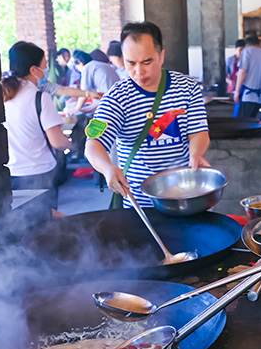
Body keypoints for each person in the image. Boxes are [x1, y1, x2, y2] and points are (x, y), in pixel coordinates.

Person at [84, 21, 210, 209]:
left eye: (147, 62)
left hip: (184, 196)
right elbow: (93, 143)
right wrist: (107, 169)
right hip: (140, 204)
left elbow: (198, 131)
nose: (139, 72)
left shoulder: (187, 88)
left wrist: (196, 154)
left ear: (161, 56)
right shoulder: (116, 97)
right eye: (131, 63)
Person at [1, 42, 74, 210]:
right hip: (39, 172)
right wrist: (72, 144)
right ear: (34, 70)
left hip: (10, 173)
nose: (46, 70)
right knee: (45, 226)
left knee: (21, 224)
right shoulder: (39, 97)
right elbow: (57, 142)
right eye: (45, 66)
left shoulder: (2, 93)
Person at [67, 50, 120, 116]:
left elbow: (84, 94)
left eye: (77, 67)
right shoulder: (102, 65)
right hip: (116, 103)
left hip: (108, 106)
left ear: (81, 63)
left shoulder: (87, 68)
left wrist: (76, 109)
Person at [234, 34, 261, 118]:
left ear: (246, 45)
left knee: (243, 126)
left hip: (248, 97)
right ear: (259, 44)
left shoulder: (247, 51)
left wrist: (237, 91)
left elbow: (242, 71)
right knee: (257, 126)